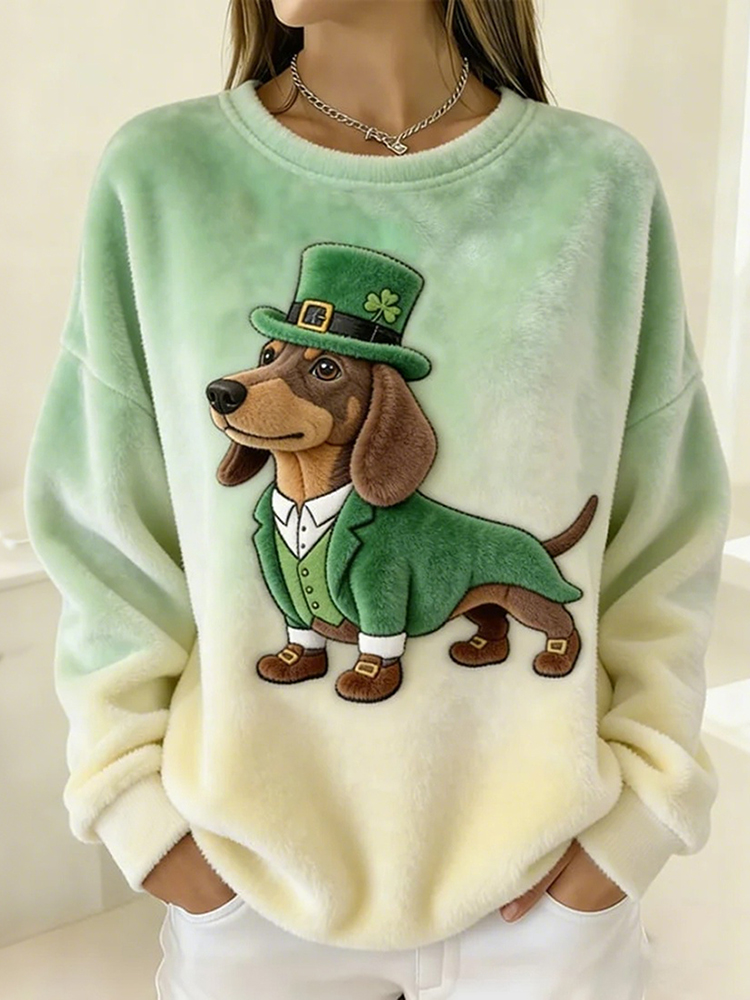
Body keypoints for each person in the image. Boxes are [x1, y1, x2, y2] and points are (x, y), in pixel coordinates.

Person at [23, 0, 731, 998]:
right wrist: (142, 818)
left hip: (546, 901)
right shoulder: (161, 175)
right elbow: (104, 534)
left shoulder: (596, 184)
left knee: (509, 589)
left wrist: (636, 823)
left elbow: (666, 531)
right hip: (247, 889)